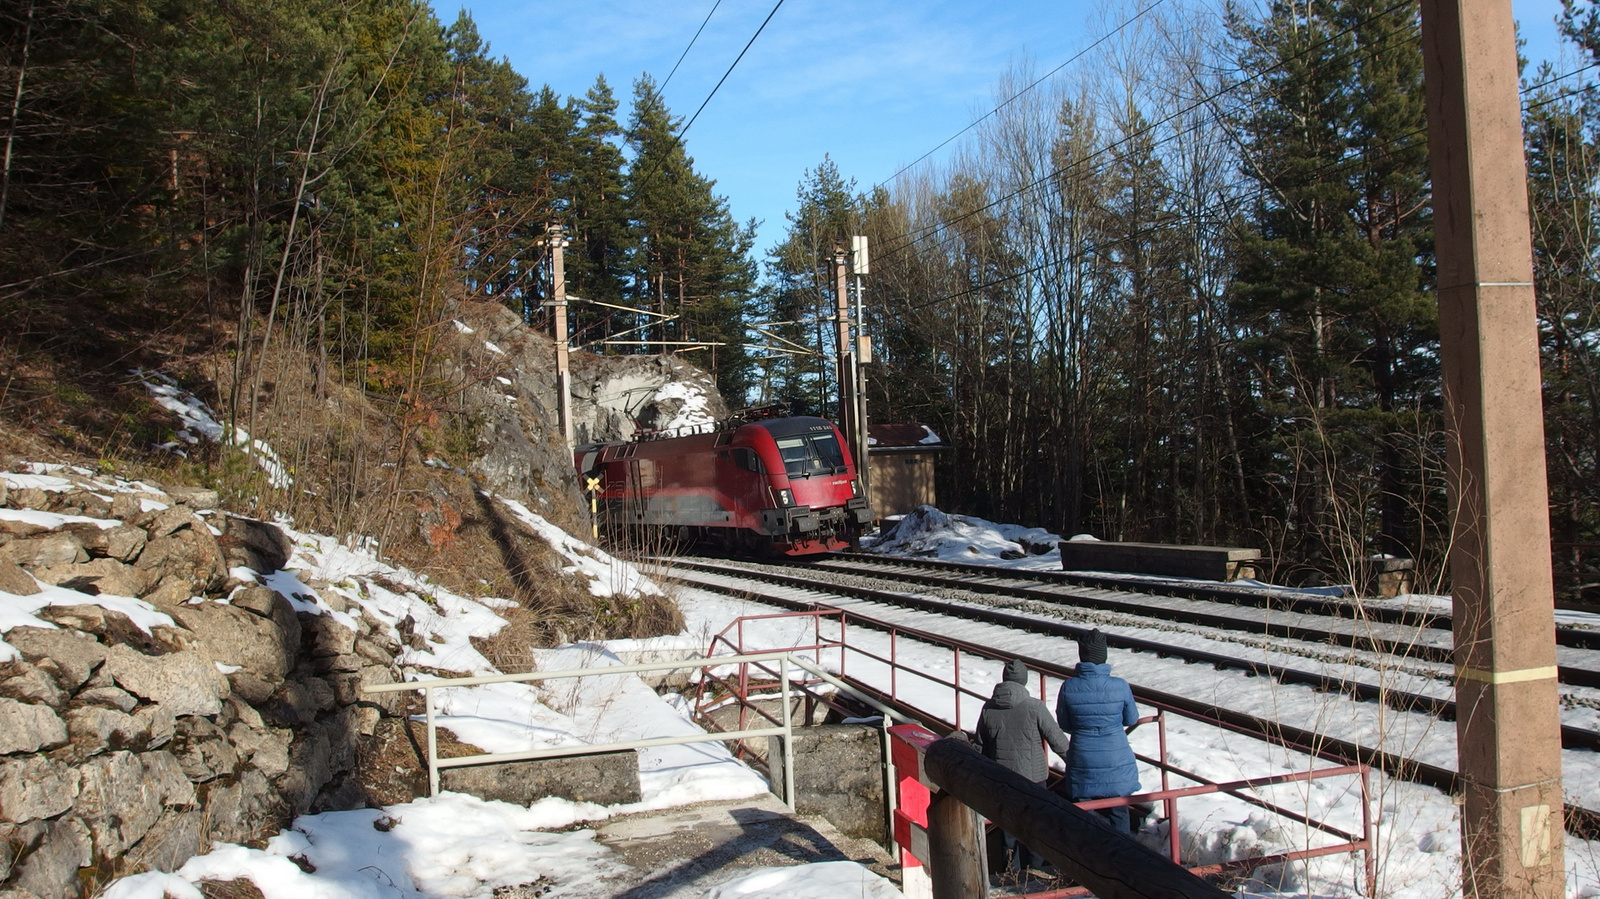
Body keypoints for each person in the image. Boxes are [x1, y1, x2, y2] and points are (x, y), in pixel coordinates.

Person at [976, 658, 1072, 875]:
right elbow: (1059, 742)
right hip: (1033, 779)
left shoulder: (988, 708)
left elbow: (981, 747)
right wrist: (1076, 765)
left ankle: (1009, 874)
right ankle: (1034, 875)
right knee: (1035, 829)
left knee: (1007, 831)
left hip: (1002, 780)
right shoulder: (1034, 707)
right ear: (1024, 681)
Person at [1055, 629, 1141, 833]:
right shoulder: (1120, 686)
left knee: (1084, 812)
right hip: (1116, 759)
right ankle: (1123, 854)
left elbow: (1064, 723)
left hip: (1083, 758)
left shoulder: (1069, 687)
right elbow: (1132, 719)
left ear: (1082, 656)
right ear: (1104, 656)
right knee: (1119, 812)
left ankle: (1088, 854)